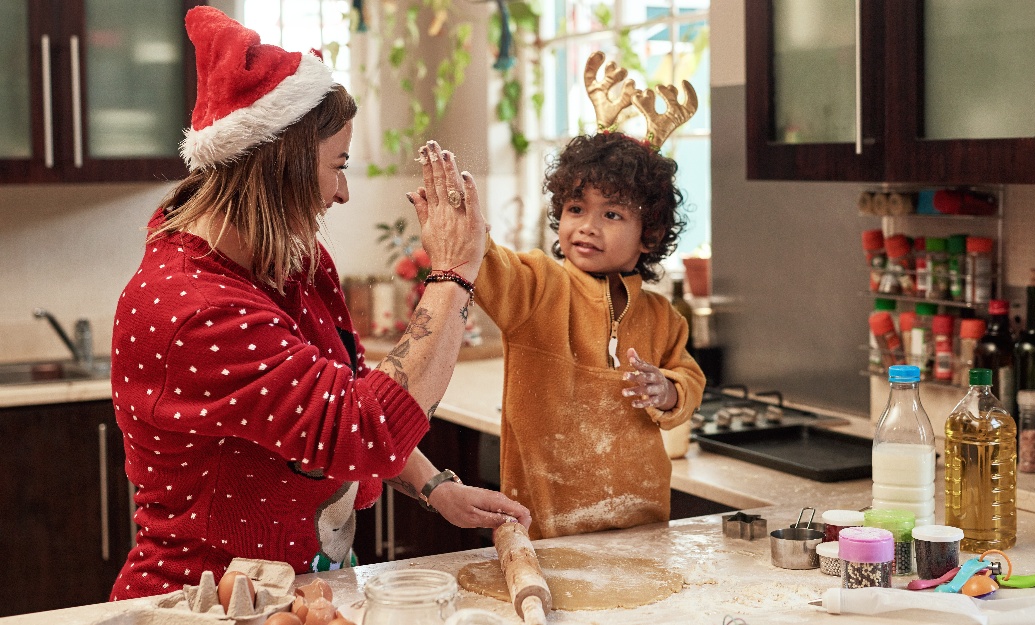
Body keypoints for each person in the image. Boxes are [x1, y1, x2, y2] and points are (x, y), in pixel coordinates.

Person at [110, 7, 527, 601]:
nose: (342, 192)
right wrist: (454, 272)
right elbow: (364, 428)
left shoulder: (292, 262)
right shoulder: (191, 307)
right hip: (205, 606)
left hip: (306, 593)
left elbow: (347, 392)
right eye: (337, 166)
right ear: (280, 165)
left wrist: (437, 487)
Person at [409, 84, 705, 539]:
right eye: (575, 208)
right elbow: (490, 265)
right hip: (547, 527)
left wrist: (666, 390)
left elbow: (689, 381)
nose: (586, 226)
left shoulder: (664, 317)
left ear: (650, 234)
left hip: (642, 526)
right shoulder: (537, 285)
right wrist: (466, 234)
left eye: (612, 215)